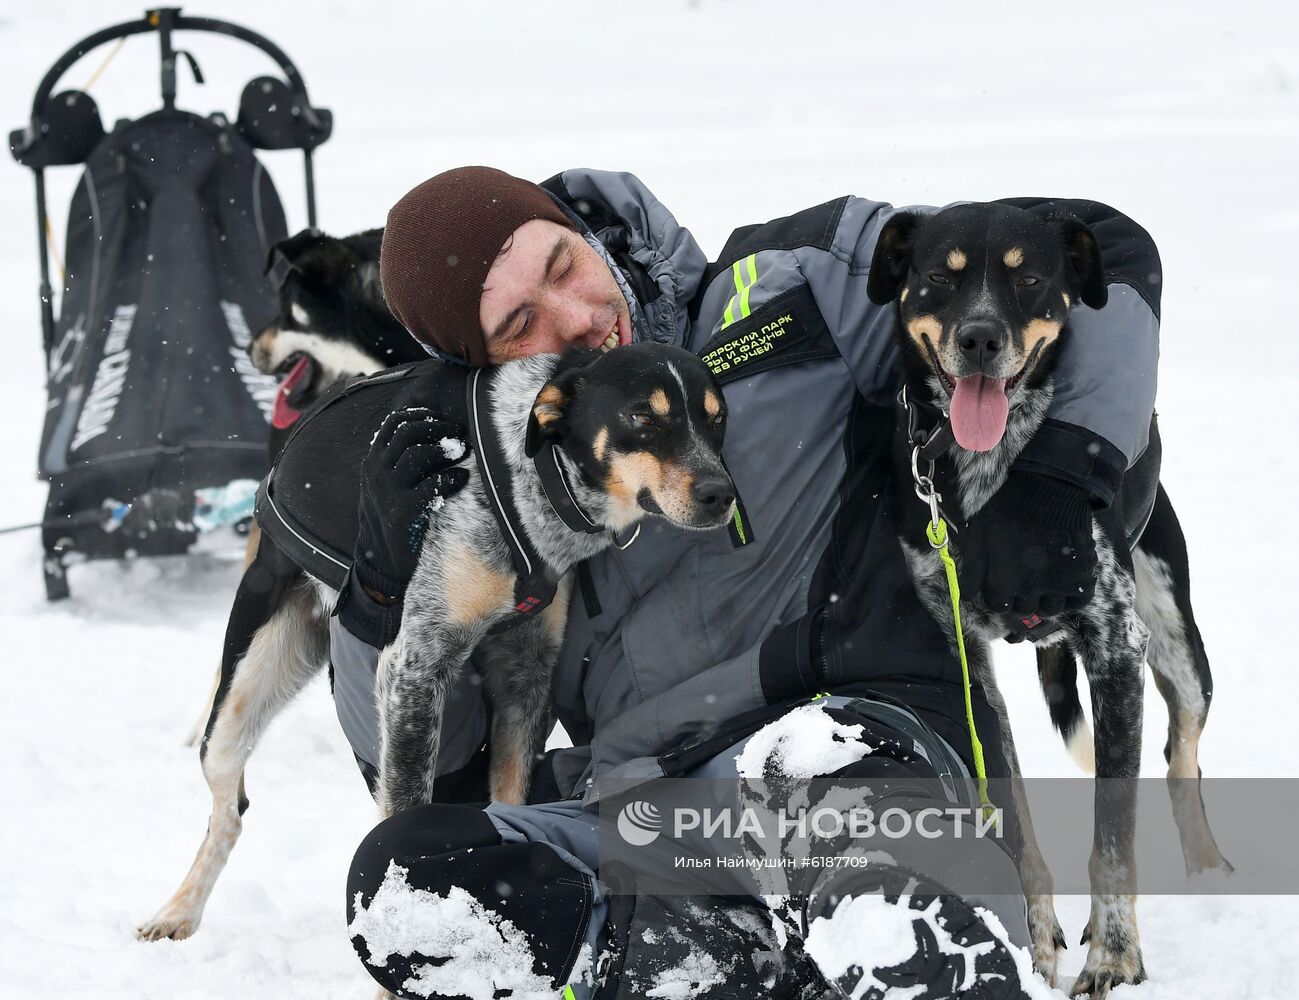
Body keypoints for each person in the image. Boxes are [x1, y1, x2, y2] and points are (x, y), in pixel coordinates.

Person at [331, 167, 1160, 999]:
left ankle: (850, 950)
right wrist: (377, 592)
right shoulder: (497, 481)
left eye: (561, 267)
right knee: (407, 878)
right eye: (521, 324)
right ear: (478, 367)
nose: (578, 321)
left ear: (582, 230)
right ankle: (709, 960)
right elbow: (444, 771)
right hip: (646, 815)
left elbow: (1093, 248)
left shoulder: (796, 284)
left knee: (846, 831)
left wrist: (1061, 475)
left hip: (845, 752)